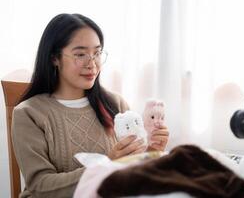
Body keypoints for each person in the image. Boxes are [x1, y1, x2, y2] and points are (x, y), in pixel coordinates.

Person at [11, 13, 169, 198]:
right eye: (80, 54)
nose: (92, 64)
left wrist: (152, 152)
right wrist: (106, 166)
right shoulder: (29, 114)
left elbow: (132, 174)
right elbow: (41, 186)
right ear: (54, 58)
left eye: (97, 53)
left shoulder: (115, 103)